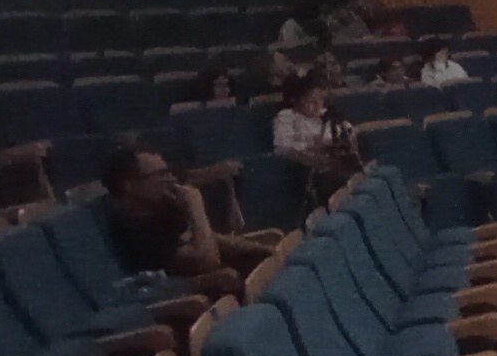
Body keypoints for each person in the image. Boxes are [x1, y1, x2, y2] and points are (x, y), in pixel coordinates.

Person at [103, 146, 276, 297]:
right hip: (185, 302)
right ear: (128, 185)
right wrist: (195, 205)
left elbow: (207, 238)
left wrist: (265, 249)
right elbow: (206, 261)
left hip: (214, 284)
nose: (171, 180)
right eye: (160, 174)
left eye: (169, 172)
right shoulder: (130, 230)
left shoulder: (161, 207)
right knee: (230, 278)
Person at [272, 77, 359, 198]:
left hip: (333, 161)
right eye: (310, 100)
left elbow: (347, 131)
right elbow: (282, 147)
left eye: (320, 99)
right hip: (306, 168)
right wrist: (311, 147)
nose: (317, 104)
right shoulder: (287, 117)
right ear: (296, 100)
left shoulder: (325, 115)